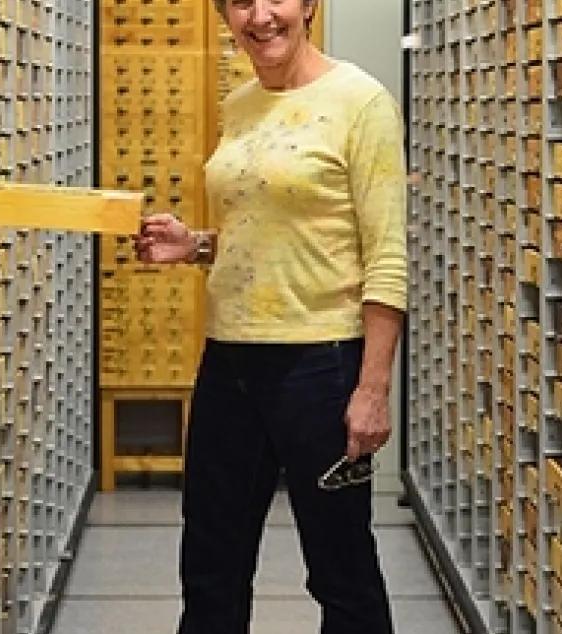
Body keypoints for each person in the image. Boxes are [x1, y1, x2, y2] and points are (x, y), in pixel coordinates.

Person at [131, 0, 408, 632]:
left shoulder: (359, 102)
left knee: (342, 574)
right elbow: (263, 234)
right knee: (210, 569)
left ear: (310, 5)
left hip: (321, 364)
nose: (258, 16)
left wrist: (372, 389)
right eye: (238, 2)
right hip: (229, 362)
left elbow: (386, 255)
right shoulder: (241, 104)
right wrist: (196, 244)